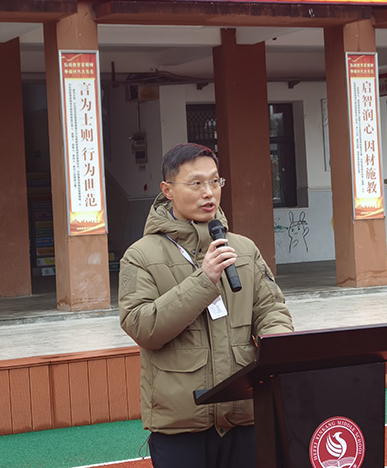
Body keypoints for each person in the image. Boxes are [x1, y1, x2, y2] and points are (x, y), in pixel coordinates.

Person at [119, 143, 293, 468]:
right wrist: (204, 279)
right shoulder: (140, 256)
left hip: (245, 415)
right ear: (167, 190)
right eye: (196, 183)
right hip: (182, 427)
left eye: (215, 181)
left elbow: (272, 311)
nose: (208, 192)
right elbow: (143, 327)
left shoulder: (243, 249)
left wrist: (278, 348)